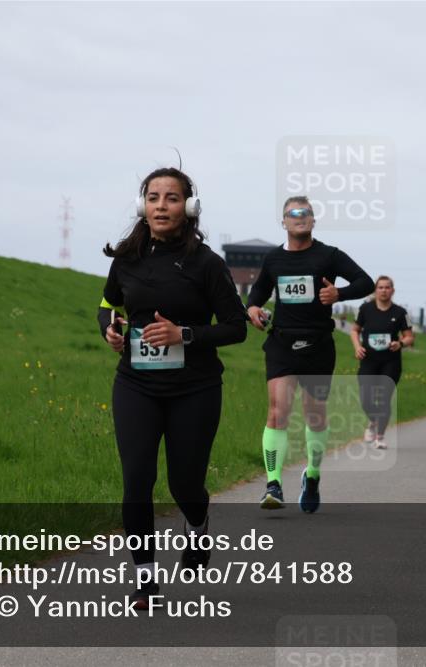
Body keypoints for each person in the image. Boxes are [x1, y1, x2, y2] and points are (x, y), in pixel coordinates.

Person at [99, 168, 247, 607]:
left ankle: (198, 524)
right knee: (137, 480)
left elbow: (236, 328)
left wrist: (184, 335)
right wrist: (111, 329)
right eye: (153, 197)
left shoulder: (207, 264)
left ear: (188, 207)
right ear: (144, 204)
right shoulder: (126, 259)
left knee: (185, 484)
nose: (162, 205)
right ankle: (146, 581)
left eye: (172, 198)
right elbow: (108, 305)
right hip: (136, 384)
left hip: (195, 388)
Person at [246, 196, 373, 513]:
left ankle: (312, 474)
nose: (299, 217)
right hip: (282, 345)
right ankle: (273, 484)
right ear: (284, 221)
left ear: (313, 220)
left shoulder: (329, 256)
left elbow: (365, 281)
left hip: (317, 345)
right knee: (279, 410)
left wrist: (339, 293)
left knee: (315, 415)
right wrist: (252, 308)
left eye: (306, 213)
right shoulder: (274, 260)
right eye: (293, 213)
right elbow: (258, 292)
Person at [351, 276, 415, 450]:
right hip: (368, 360)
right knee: (366, 398)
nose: (384, 290)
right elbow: (354, 330)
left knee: (384, 398)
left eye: (387, 287)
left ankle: (380, 436)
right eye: (380, 287)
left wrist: (400, 343)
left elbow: (409, 337)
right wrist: (357, 346)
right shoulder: (365, 309)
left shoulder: (400, 313)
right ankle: (373, 421)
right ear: (375, 290)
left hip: (390, 361)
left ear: (392, 290)